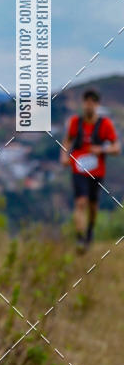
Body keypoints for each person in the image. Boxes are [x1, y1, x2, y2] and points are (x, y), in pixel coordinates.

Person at [60, 87, 120, 252]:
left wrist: (101, 150)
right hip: (78, 170)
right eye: (86, 102)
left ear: (97, 105)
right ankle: (80, 239)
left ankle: (89, 232)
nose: (89, 106)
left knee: (93, 206)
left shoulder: (105, 124)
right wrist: (64, 156)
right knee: (80, 202)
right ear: (83, 104)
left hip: (97, 172)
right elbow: (67, 141)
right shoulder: (75, 123)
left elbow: (116, 148)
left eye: (92, 102)